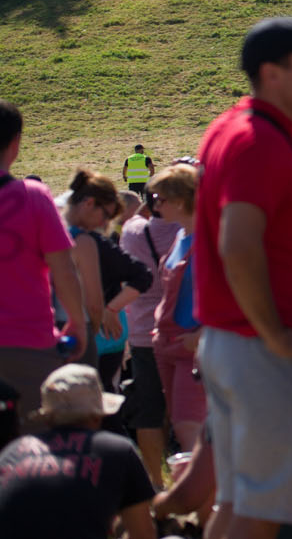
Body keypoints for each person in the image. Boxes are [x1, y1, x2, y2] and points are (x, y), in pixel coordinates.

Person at [194, 16, 292, 538]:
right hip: (259, 348)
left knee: (238, 505)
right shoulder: (257, 139)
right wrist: (276, 334)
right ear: (271, 73)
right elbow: (237, 245)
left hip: (237, 343)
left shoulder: (242, 129)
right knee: (263, 513)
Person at [0, 100, 87, 419]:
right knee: (31, 453)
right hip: (26, 345)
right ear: (15, 143)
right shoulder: (33, 196)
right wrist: (77, 322)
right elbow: (64, 270)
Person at [0, 364, 155, 539]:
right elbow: (143, 533)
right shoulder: (118, 450)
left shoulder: (13, 451)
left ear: (48, 418)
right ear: (97, 415)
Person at [118, 177, 183, 488]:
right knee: (187, 407)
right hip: (185, 331)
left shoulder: (132, 231)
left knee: (148, 410)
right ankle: (191, 478)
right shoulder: (188, 230)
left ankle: (155, 483)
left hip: (143, 332)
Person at [62, 172, 152, 385]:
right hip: (92, 337)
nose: (105, 223)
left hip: (80, 338)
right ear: (89, 204)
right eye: (106, 216)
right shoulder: (87, 241)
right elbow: (141, 275)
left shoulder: (51, 228)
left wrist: (110, 309)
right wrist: (109, 310)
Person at [146, 164, 207, 454]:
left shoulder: (210, 240)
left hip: (191, 347)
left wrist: (204, 333)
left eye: (161, 199)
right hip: (167, 345)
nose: (155, 205)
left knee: (188, 425)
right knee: (181, 424)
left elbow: (234, 290)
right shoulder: (180, 237)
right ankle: (199, 493)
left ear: (180, 201)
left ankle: (207, 495)